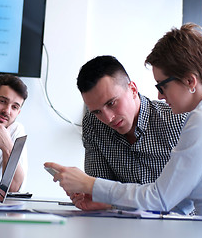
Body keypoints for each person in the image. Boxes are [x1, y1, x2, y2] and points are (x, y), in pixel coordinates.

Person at [45, 23, 202, 224]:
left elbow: (160, 199)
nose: (159, 96)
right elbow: (177, 202)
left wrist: (89, 183)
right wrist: (106, 202)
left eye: (162, 86)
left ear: (190, 81)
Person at [58, 55, 191, 213]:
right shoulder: (93, 125)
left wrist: (102, 195)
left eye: (111, 103)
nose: (108, 118)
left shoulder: (178, 120)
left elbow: (183, 202)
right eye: (97, 111)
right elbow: (101, 193)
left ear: (133, 89)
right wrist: (94, 199)